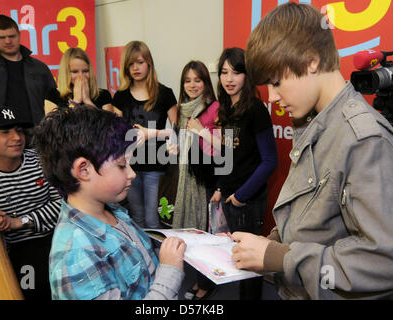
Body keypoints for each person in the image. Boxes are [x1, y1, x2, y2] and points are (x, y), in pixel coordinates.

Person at [231, 2, 393, 300]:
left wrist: (284, 258)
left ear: (311, 62)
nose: (273, 96)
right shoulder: (314, 125)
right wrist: (267, 246)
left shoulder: (364, 140)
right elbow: (312, 217)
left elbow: (386, 261)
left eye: (277, 82)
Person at [32, 106, 186, 300]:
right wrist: (169, 273)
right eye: (122, 165)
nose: (132, 173)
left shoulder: (112, 211)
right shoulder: (77, 256)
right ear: (84, 170)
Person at [0, 105, 62, 300]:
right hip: (9, 250)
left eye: (19, 130)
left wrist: (21, 221)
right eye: (5, 132)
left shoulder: (43, 161)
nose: (17, 138)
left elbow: (64, 203)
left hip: (54, 240)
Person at [211, 47, 278, 300]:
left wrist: (241, 195)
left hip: (247, 199)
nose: (229, 79)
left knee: (250, 263)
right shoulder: (226, 107)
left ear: (247, 76)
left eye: (236, 73)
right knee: (238, 258)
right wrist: (219, 187)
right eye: (224, 72)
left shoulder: (256, 110)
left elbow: (270, 161)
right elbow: (227, 155)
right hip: (229, 196)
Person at [112, 40, 178, 228]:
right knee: (137, 218)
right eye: (131, 64)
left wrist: (152, 134)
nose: (135, 68)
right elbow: (116, 134)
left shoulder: (165, 94)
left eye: (140, 62)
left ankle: (159, 257)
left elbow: (177, 132)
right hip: (129, 165)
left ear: (149, 63)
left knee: (153, 219)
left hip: (155, 166)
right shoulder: (121, 96)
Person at [170, 61, 220, 300]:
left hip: (206, 182)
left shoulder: (214, 108)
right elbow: (184, 145)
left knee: (204, 233)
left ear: (205, 83)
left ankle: (205, 284)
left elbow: (223, 151)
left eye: (197, 80)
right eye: (187, 81)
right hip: (187, 178)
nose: (192, 85)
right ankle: (202, 279)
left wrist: (201, 130)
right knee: (191, 231)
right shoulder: (183, 110)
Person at [0, 7, 56, 125]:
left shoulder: (39, 67)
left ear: (19, 35)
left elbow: (58, 101)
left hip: (33, 137)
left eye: (12, 36)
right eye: (1, 37)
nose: (8, 41)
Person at [45, 47, 117, 114]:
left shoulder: (104, 95)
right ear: (65, 73)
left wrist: (87, 101)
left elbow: (107, 124)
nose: (81, 76)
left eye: (85, 71)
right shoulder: (53, 95)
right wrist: (76, 101)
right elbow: (54, 125)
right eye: (75, 72)